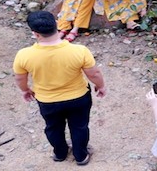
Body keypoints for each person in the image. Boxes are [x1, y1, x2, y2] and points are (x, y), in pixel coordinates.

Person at [13, 11, 106, 166]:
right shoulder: (79, 51)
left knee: (53, 128)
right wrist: (100, 85)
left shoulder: (24, 55)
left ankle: (60, 153)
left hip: (47, 100)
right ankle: (81, 156)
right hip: (78, 97)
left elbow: (20, 77)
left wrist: (25, 90)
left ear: (35, 33)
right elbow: (94, 73)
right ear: (56, 24)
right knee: (79, 127)